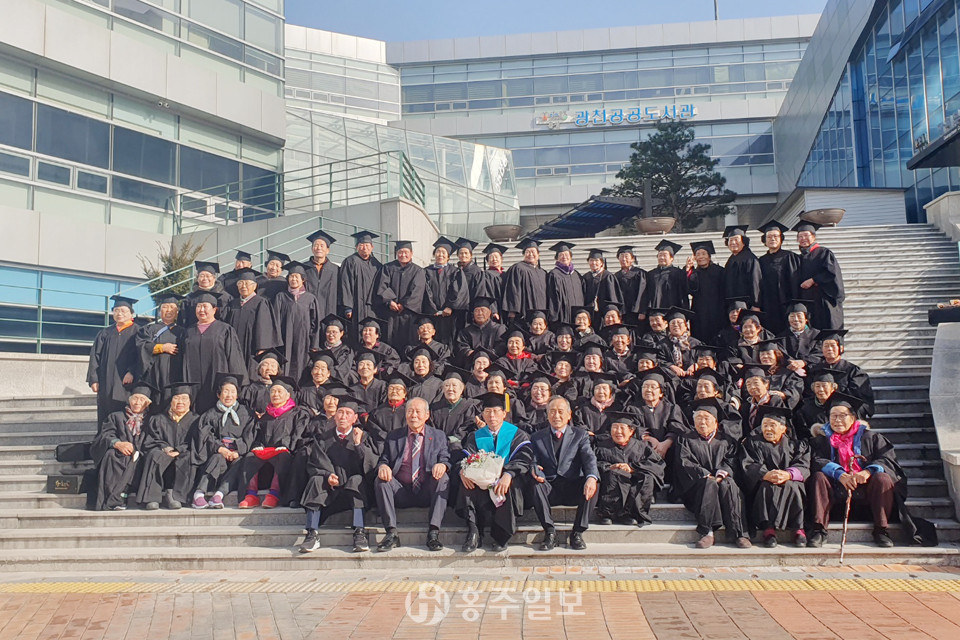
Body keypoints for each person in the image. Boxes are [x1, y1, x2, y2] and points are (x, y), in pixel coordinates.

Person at [806, 393, 938, 548]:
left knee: (882, 478)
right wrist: (840, 474)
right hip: (835, 492)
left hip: (867, 492)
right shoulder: (821, 440)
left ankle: (881, 530)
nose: (837, 420)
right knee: (819, 476)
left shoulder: (871, 437)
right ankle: (819, 530)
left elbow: (887, 459)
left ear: (853, 417)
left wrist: (867, 472)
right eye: (833, 416)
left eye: (842, 415)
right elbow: (817, 460)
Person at [299, 396, 378, 554]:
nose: (343, 417)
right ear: (334, 416)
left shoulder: (364, 437)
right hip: (330, 492)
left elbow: (370, 467)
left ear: (355, 418)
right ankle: (312, 533)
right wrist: (327, 475)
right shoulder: (323, 438)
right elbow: (315, 463)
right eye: (340, 412)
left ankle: (359, 532)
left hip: (355, 493)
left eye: (348, 413)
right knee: (316, 480)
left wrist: (358, 444)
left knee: (357, 480)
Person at [458, 392, 533, 552]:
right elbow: (466, 457)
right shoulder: (476, 436)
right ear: (483, 415)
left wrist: (508, 474)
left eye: (496, 411)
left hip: (508, 478)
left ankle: (501, 536)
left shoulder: (517, 434)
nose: (491, 415)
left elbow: (524, 458)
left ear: (504, 414)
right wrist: (463, 471)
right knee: (466, 482)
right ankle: (474, 532)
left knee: (506, 485)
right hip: (481, 481)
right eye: (487, 411)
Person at [374, 397, 450, 552]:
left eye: (418, 411)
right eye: (410, 411)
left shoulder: (438, 436)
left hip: (426, 490)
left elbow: (445, 458)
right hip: (401, 490)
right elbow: (384, 459)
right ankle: (391, 533)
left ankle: (433, 533)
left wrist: (442, 465)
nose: (414, 415)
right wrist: (383, 466)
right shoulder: (394, 436)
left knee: (443, 478)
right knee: (381, 480)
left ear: (427, 415)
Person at [676, 398, 751, 549]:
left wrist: (721, 474)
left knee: (729, 483)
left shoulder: (727, 440)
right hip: (697, 486)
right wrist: (706, 475)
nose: (702, 422)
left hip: (722, 480)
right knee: (709, 484)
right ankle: (707, 532)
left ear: (716, 422)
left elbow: (731, 460)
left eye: (706, 418)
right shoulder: (685, 439)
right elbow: (685, 462)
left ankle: (739, 533)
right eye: (698, 418)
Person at [529, 397, 599, 551]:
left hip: (573, 486)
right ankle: (550, 532)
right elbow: (533, 460)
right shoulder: (537, 437)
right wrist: (534, 469)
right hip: (550, 488)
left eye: (560, 412)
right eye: (552, 412)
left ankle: (577, 533)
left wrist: (591, 477)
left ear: (569, 414)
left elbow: (589, 458)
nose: (556, 416)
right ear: (547, 415)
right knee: (535, 484)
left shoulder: (580, 435)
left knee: (594, 482)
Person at [739, 406, 810, 547]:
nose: (768, 429)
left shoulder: (796, 445)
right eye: (764, 425)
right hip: (764, 482)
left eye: (772, 425)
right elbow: (748, 464)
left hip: (790, 481)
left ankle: (798, 529)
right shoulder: (753, 443)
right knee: (767, 486)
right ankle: (768, 529)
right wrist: (765, 474)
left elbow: (804, 465)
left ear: (783, 428)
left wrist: (787, 474)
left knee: (792, 485)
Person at [238, 376, 311, 509]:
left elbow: (298, 435)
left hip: (286, 455)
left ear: (288, 395)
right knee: (250, 456)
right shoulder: (265, 416)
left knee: (283, 456)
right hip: (266, 456)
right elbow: (258, 436)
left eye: (279, 391)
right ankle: (251, 495)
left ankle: (273, 495)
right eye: (272, 391)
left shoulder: (298, 413)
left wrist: (286, 446)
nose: (275, 394)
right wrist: (258, 446)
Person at [189, 373, 256, 509]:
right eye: (225, 391)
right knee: (217, 458)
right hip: (218, 453)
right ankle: (199, 494)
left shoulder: (247, 413)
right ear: (218, 394)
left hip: (237, 454)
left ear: (237, 395)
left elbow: (250, 435)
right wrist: (220, 448)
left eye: (232, 391)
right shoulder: (210, 414)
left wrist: (237, 451)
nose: (229, 395)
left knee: (240, 462)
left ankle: (219, 495)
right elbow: (205, 435)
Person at [178, 292, 248, 414]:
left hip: (216, 381)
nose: (201, 310)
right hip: (193, 383)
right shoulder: (188, 332)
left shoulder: (225, 329)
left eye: (205, 306)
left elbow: (234, 358)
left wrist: (235, 384)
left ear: (214, 309)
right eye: (198, 306)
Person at [90, 382, 155, 511]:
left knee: (138, 459)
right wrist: (117, 443)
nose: (137, 402)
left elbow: (154, 439)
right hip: (119, 453)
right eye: (135, 398)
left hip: (141, 454)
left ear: (147, 403)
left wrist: (136, 450)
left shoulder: (152, 420)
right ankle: (111, 498)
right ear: (129, 400)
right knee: (111, 455)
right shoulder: (116, 417)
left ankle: (118, 497)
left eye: (142, 399)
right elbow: (105, 435)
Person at [136, 382, 200, 510]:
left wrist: (179, 450)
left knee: (188, 457)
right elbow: (151, 439)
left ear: (190, 402)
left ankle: (175, 496)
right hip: (163, 451)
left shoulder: (196, 420)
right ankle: (152, 498)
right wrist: (166, 448)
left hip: (184, 452)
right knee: (154, 454)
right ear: (171, 401)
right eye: (176, 398)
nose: (180, 402)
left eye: (184, 398)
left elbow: (197, 441)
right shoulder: (158, 419)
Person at [594, 412, 666, 526]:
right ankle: (606, 514)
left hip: (632, 481)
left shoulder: (642, 447)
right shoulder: (602, 446)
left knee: (646, 477)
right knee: (613, 473)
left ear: (631, 431)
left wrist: (632, 467)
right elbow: (592, 462)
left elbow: (656, 464)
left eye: (622, 428)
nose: (618, 431)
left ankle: (631, 514)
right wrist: (609, 467)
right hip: (610, 481)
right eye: (614, 427)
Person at [88, 295, 141, 427]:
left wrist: (132, 371)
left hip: (126, 383)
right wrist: (94, 379)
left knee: (124, 415)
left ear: (131, 313)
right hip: (106, 382)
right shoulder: (105, 333)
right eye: (116, 310)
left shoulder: (138, 332)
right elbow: (95, 356)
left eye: (123, 311)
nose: (119, 314)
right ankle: (104, 439)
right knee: (104, 415)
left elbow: (142, 355)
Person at [222, 268, 280, 379]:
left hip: (252, 348)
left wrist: (262, 348)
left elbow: (265, 327)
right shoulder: (233, 303)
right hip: (234, 346)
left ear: (254, 286)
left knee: (250, 374)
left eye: (247, 284)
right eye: (240, 283)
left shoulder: (261, 302)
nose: (244, 286)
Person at [272, 261, 321, 382]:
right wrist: (277, 341)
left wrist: (314, 344)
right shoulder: (281, 297)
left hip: (303, 340)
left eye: (296, 277)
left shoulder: (310, 298)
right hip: (284, 340)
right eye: (291, 276)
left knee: (301, 365)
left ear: (303, 279)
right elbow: (275, 321)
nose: (293, 279)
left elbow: (315, 323)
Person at [375, 240, 426, 352]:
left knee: (409, 341)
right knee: (389, 339)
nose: (403, 255)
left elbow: (417, 291)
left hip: (409, 314)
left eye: (406, 252)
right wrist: (390, 301)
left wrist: (404, 305)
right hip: (390, 312)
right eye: (400, 252)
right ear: (396, 253)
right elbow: (382, 286)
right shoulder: (387, 268)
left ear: (411, 253)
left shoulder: (418, 271)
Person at [794, 221, 845, 331]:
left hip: (824, 300)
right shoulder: (798, 258)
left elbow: (832, 273)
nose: (803, 239)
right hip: (808, 301)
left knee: (828, 329)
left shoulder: (824, 253)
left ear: (813, 237)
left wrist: (813, 280)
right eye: (800, 236)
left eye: (806, 235)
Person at [816, 329, 874, 417]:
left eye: (833, 345)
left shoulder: (854, 371)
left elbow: (861, 400)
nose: (829, 349)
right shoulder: (815, 370)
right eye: (826, 346)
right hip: (819, 413)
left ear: (841, 348)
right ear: (821, 349)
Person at [757, 221, 800, 336]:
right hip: (768, 304)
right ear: (764, 240)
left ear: (781, 239)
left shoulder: (790, 257)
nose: (772, 239)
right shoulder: (761, 261)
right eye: (769, 237)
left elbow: (795, 282)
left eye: (776, 236)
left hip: (786, 302)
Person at [136, 293, 184, 394]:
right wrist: (162, 348)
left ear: (177, 312)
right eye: (165, 307)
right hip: (152, 376)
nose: (168, 310)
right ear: (159, 311)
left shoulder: (183, 332)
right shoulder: (148, 329)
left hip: (174, 377)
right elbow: (141, 346)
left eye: (172, 307)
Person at [339, 230, 383, 340]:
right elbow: (345, 284)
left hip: (372, 307)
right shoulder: (350, 261)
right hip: (356, 305)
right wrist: (348, 307)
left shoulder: (376, 264)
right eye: (361, 245)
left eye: (367, 245)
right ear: (356, 247)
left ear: (372, 247)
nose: (364, 248)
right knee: (356, 332)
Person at [685, 240, 726, 342]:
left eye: (703, 254)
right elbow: (688, 289)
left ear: (709, 256)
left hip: (718, 309)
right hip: (699, 311)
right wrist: (688, 270)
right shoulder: (693, 273)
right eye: (698, 254)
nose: (701, 257)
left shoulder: (720, 271)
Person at [502, 238, 547, 321]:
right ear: (524, 254)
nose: (530, 254)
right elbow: (513, 290)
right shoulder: (518, 268)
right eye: (527, 252)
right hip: (523, 313)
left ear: (538, 255)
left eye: (533, 252)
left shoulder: (542, 272)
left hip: (541, 312)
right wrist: (513, 311)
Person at [424, 236, 457, 344]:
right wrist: (432, 308)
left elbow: (457, 291)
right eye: (438, 252)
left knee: (449, 340)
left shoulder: (455, 272)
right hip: (431, 314)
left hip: (450, 314)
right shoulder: (426, 271)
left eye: (443, 252)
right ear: (434, 254)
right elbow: (425, 290)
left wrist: (450, 307)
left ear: (448, 256)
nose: (440, 255)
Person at [454, 296, 506, 363]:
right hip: (473, 363)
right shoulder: (466, 331)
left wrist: (487, 355)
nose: (480, 313)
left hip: (494, 363)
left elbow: (501, 346)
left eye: (483, 310)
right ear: (473, 313)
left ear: (489, 312)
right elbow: (461, 346)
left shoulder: (499, 329)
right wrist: (469, 352)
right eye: (477, 311)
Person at [181, 261, 231, 328]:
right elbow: (183, 321)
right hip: (194, 332)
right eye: (202, 276)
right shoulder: (189, 298)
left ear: (214, 278)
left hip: (219, 332)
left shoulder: (225, 297)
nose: (205, 278)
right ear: (197, 278)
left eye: (208, 276)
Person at [722, 226, 761, 310]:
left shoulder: (750, 259)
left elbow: (755, 282)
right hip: (733, 305)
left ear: (744, 241)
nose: (733, 242)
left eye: (736, 239)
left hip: (747, 305)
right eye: (730, 240)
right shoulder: (732, 259)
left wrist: (755, 304)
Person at [303, 229, 340, 320]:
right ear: (312, 249)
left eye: (322, 245)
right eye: (316, 245)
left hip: (330, 312)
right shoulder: (303, 268)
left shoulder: (336, 270)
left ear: (327, 250)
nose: (319, 248)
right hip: (307, 312)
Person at [545, 241, 584, 326]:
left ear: (571, 257)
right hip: (563, 316)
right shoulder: (554, 274)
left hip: (577, 315)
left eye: (566, 254)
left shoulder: (576, 274)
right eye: (561, 255)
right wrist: (554, 317)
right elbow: (552, 297)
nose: (564, 257)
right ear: (557, 258)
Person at [582, 249, 623, 323]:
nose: (593, 263)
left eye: (596, 260)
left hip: (605, 314)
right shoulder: (586, 277)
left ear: (601, 262)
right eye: (591, 260)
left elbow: (613, 298)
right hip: (590, 314)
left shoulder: (608, 276)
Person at [646, 240, 688, 309]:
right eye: (660, 255)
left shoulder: (678, 273)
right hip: (656, 312)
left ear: (672, 258)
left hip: (674, 311)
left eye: (665, 255)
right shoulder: (651, 274)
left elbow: (684, 293)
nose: (662, 258)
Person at [614, 246, 648, 322]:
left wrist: (642, 311)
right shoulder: (616, 276)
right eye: (621, 256)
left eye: (626, 256)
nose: (624, 259)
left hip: (637, 313)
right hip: (623, 313)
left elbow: (643, 293)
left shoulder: (640, 274)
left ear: (632, 259)